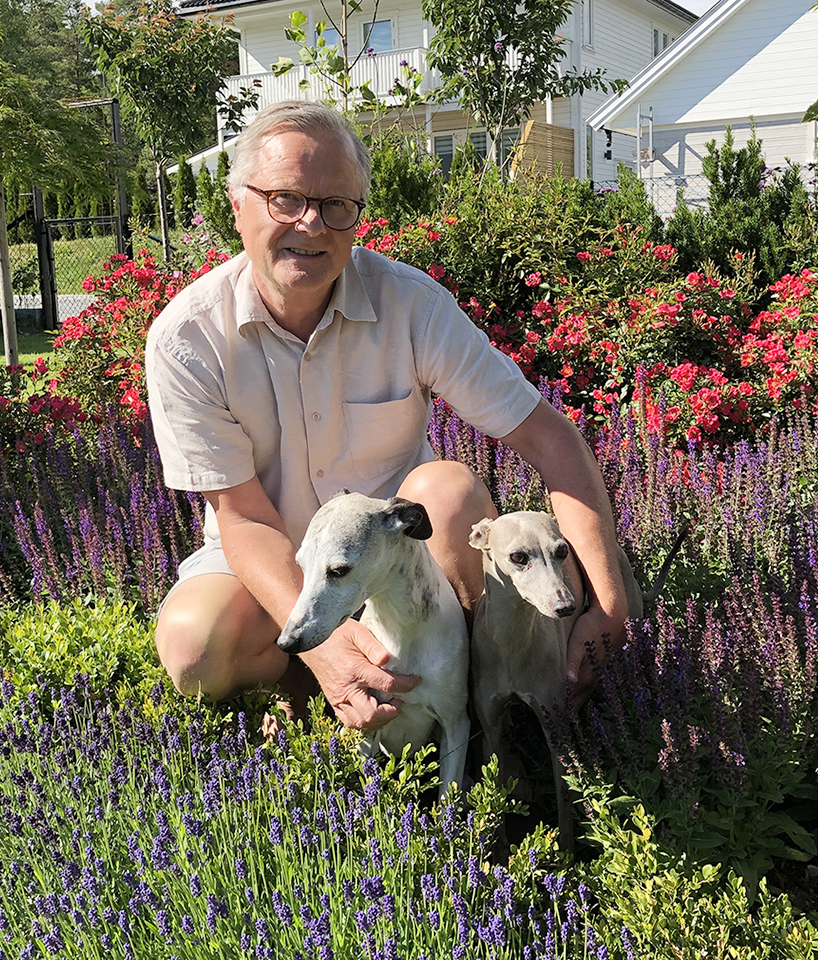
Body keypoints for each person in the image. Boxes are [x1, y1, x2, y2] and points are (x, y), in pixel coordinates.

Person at [145, 100, 628, 732]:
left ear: (357, 217)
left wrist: (610, 609)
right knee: (193, 647)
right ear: (238, 206)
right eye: (285, 199)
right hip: (272, 561)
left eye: (335, 204)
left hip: (405, 563)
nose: (311, 224)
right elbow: (243, 516)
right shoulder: (189, 337)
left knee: (448, 493)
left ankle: (471, 705)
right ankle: (316, 687)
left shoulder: (410, 304)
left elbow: (551, 440)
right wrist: (320, 646)